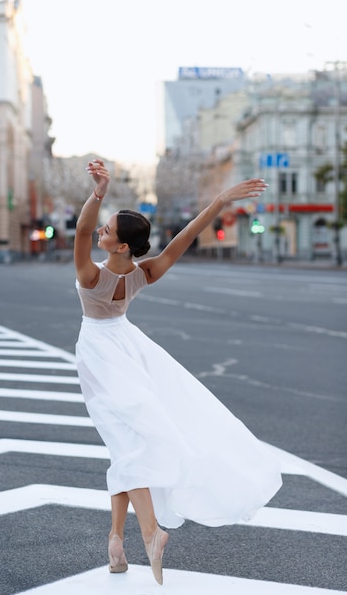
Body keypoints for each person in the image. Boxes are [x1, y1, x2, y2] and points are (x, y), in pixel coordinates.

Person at [74, 159, 282, 585]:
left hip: (99, 352)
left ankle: (150, 533)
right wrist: (220, 201)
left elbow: (79, 232)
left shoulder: (90, 275)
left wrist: (98, 193)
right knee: (125, 443)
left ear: (120, 247)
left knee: (126, 445)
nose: (100, 232)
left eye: (108, 231)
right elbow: (184, 239)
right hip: (129, 348)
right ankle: (116, 541)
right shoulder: (144, 273)